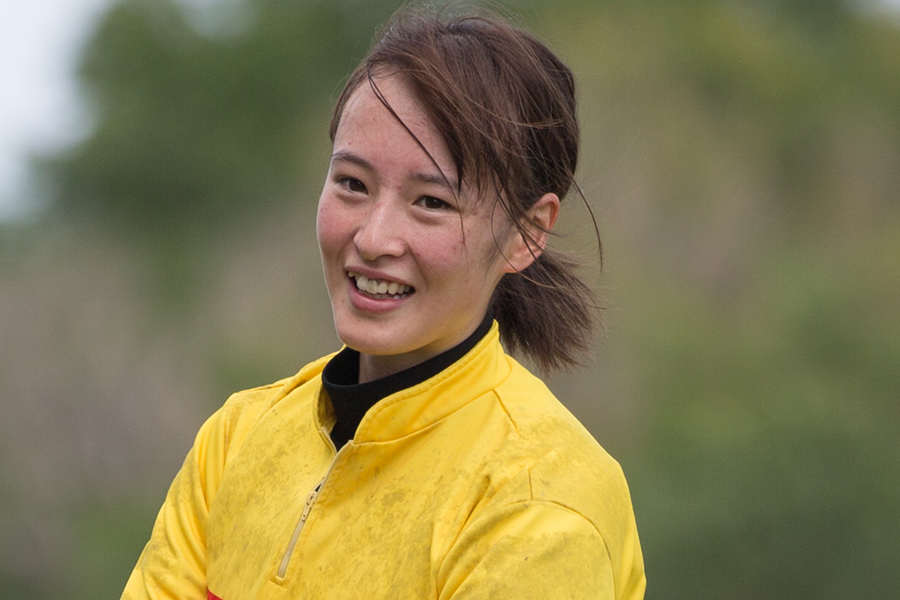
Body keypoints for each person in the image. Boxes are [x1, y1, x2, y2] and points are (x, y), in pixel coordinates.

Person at [122, 9, 645, 600]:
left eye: (431, 202)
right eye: (352, 184)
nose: (373, 238)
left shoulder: (540, 500)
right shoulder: (237, 440)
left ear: (528, 232)